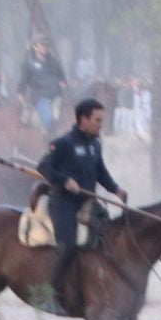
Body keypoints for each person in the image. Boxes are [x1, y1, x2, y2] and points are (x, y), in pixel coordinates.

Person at [34, 98, 127, 308]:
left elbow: (100, 172)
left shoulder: (95, 144)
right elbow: (43, 166)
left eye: (102, 120)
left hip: (88, 202)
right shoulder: (63, 143)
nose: (100, 124)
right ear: (83, 119)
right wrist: (65, 180)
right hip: (63, 203)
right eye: (97, 120)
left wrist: (115, 189)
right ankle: (50, 291)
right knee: (67, 247)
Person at [18, 38, 67, 133]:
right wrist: (20, 93)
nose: (45, 47)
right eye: (42, 45)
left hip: (57, 95)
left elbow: (61, 76)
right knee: (48, 118)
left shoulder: (53, 61)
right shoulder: (29, 63)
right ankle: (48, 141)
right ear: (35, 47)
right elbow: (23, 81)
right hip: (41, 97)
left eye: (46, 45)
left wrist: (63, 82)